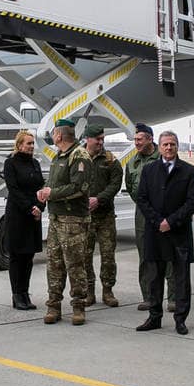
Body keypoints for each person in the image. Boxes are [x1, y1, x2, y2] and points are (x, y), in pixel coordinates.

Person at [135, 131, 194, 334]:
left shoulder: (189, 171)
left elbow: (192, 203)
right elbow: (142, 199)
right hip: (155, 232)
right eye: (165, 144)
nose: (169, 148)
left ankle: (180, 319)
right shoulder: (149, 170)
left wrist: (170, 222)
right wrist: (158, 221)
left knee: (181, 279)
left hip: (179, 233)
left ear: (177, 146)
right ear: (159, 146)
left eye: (172, 144)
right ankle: (154, 317)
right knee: (154, 278)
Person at [37, 119, 92, 326]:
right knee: (54, 264)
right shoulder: (58, 156)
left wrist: (52, 193)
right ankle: (54, 306)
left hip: (73, 221)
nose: (52, 136)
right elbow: (54, 184)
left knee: (75, 265)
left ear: (59, 135)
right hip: (56, 219)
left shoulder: (80, 155)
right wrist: (44, 192)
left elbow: (80, 187)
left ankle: (78, 306)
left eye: (53, 133)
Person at [123, 124, 170, 313]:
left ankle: (173, 297)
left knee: (169, 254)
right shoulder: (132, 162)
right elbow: (131, 187)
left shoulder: (164, 158)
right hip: (142, 213)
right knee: (145, 256)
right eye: (134, 140)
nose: (136, 143)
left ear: (150, 139)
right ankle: (149, 297)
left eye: (139, 140)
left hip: (164, 211)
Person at [1, 129, 45, 310]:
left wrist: (40, 207)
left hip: (33, 216)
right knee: (17, 256)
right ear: (19, 145)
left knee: (29, 256)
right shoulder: (10, 163)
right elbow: (13, 189)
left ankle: (25, 292)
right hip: (18, 214)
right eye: (28, 143)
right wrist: (30, 208)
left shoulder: (35, 163)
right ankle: (16, 294)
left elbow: (41, 187)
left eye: (33, 143)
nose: (31, 146)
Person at [82, 124, 122, 308]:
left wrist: (99, 199)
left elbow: (115, 185)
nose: (100, 142)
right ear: (87, 139)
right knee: (85, 255)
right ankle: (89, 291)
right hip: (84, 217)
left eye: (102, 139)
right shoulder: (77, 158)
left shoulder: (111, 160)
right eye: (97, 139)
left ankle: (108, 290)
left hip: (105, 216)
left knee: (108, 255)